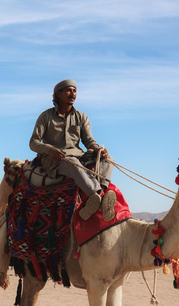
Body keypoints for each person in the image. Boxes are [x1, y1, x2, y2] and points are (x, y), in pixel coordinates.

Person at [29, 79, 116, 221]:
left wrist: (98, 149)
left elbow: (89, 140)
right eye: (69, 90)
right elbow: (33, 142)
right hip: (54, 159)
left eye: (74, 91)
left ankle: (99, 196)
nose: (73, 94)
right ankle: (97, 195)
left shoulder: (81, 117)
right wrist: (50, 150)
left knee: (109, 159)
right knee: (73, 163)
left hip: (78, 155)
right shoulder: (46, 117)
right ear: (59, 93)